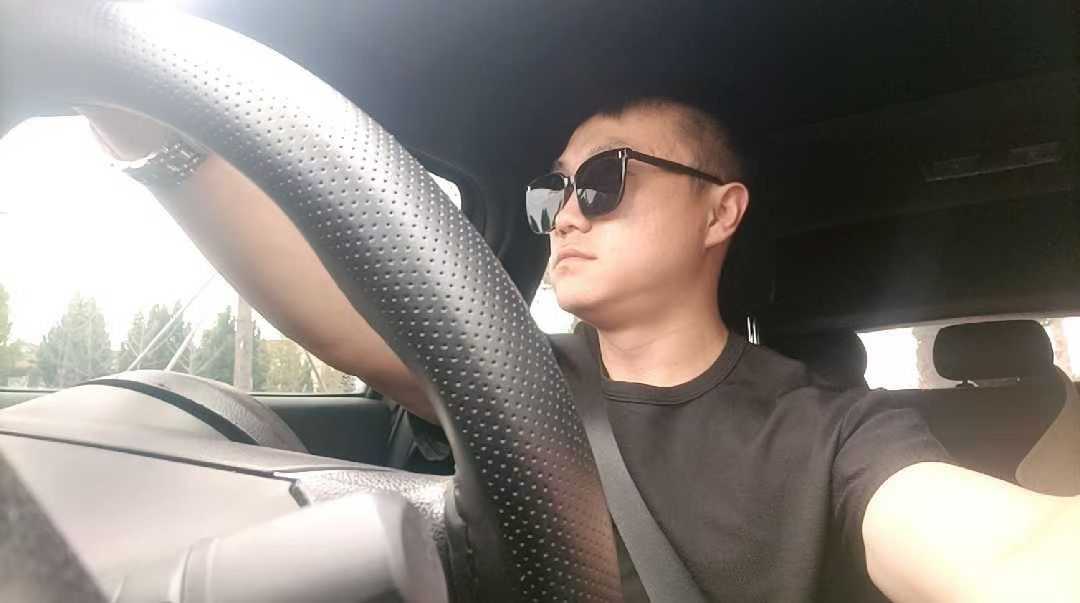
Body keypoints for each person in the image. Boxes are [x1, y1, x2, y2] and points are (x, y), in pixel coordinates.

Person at [83, 98, 1079, 602]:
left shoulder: (835, 432)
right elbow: (335, 310)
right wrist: (143, 131)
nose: (565, 213)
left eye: (602, 180)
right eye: (551, 190)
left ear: (720, 212)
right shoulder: (507, 376)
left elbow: (1003, 552)